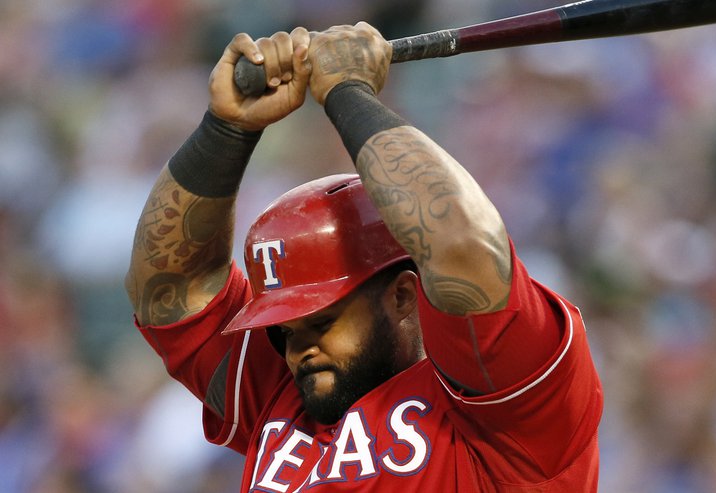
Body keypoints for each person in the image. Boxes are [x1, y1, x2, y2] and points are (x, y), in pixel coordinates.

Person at [125, 22, 603, 492]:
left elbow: (463, 247)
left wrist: (348, 92)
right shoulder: (285, 390)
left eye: (322, 321)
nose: (300, 349)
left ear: (401, 295)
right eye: (284, 331)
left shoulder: (503, 400)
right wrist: (226, 131)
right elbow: (168, 289)